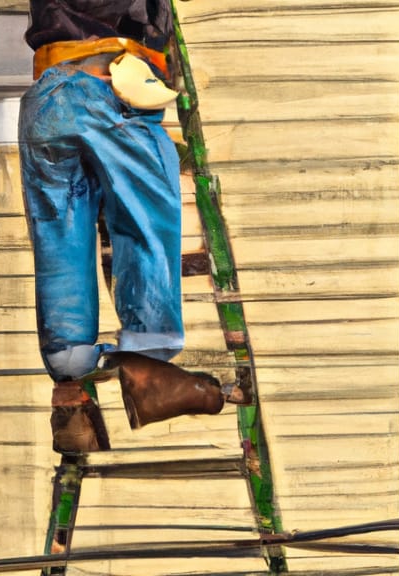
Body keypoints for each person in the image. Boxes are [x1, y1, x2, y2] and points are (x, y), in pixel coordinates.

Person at [19, 0, 246, 454]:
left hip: (47, 95)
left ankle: (69, 378)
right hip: (107, 85)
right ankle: (150, 356)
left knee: (60, 234)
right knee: (145, 218)